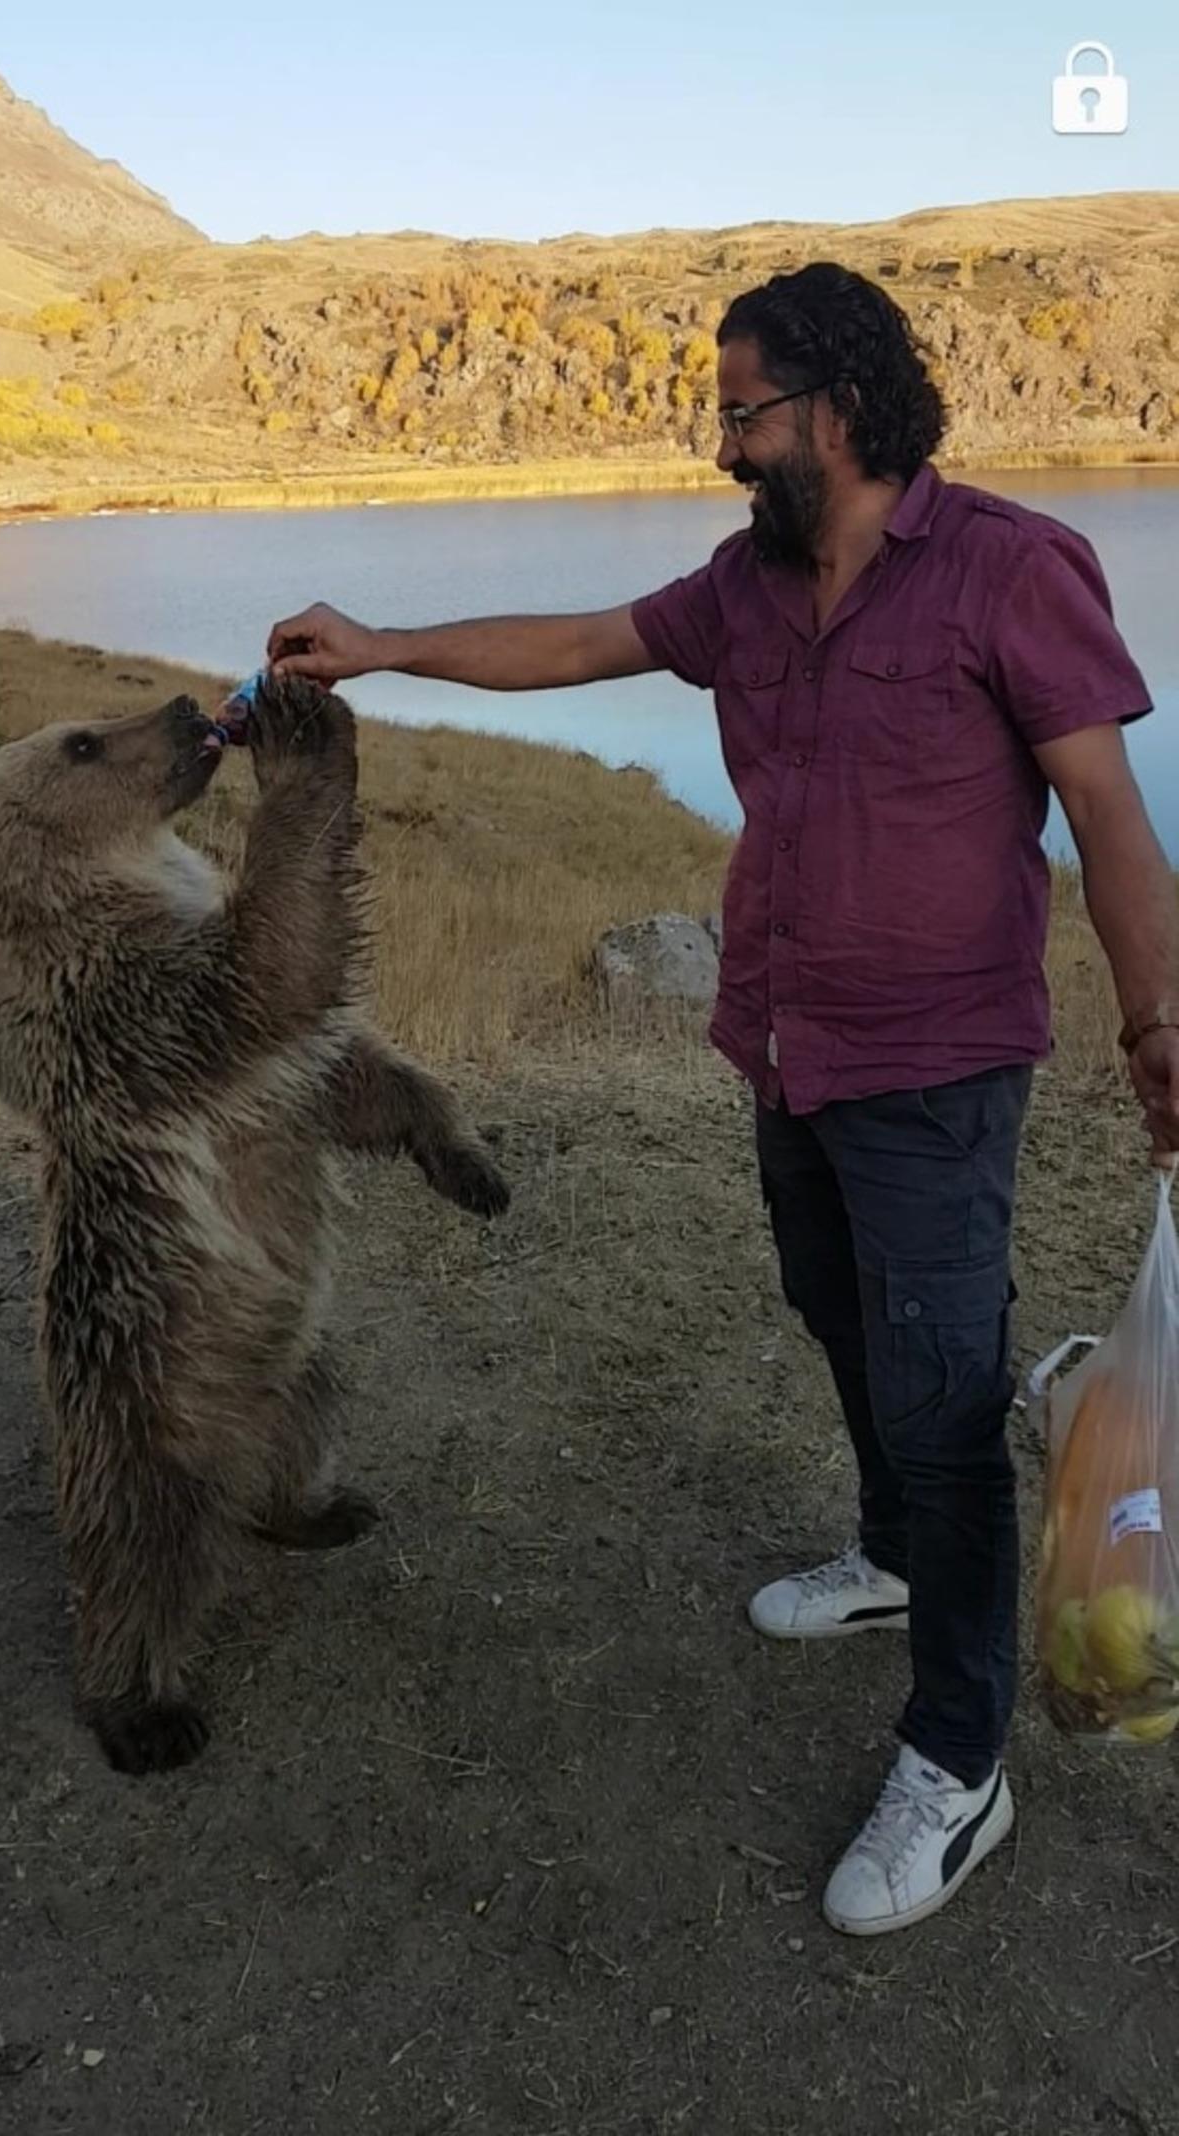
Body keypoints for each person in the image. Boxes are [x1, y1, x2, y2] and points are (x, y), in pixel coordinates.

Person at [266, 263, 1179, 1936]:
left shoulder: (1004, 569)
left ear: (837, 405)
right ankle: (894, 1559)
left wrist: (1160, 1016)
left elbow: (1110, 816)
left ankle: (961, 1758)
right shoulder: (746, 589)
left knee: (945, 1394)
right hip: (786, 1043)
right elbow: (584, 642)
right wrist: (387, 647)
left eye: (743, 412)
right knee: (837, 1315)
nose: (723, 444)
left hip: (935, 1069)